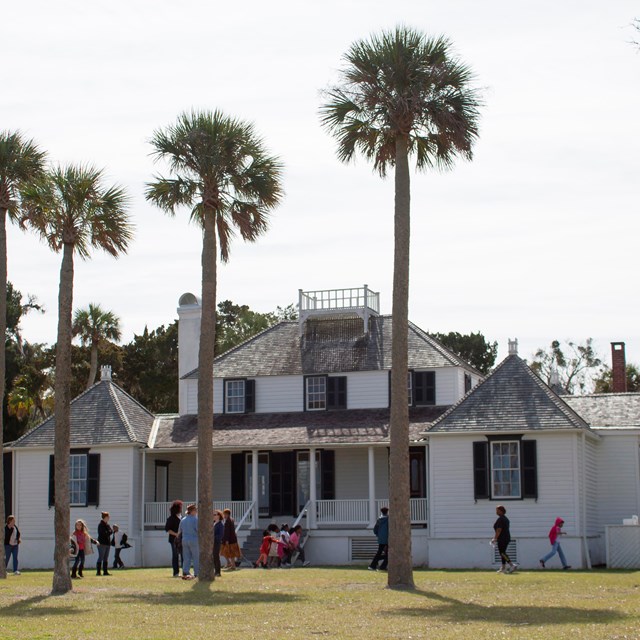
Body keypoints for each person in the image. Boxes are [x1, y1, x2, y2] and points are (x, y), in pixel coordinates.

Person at [492, 505, 517, 574]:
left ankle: (512, 565)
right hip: (506, 537)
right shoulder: (506, 519)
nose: (496, 512)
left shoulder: (501, 519)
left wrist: (495, 538)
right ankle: (503, 568)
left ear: (501, 511)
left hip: (502, 538)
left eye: (497, 510)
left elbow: (499, 530)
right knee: (502, 553)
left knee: (502, 553)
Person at [179, 503, 199, 579]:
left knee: (186, 557)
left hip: (184, 539)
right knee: (196, 557)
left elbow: (180, 530)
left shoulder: (183, 520)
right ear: (192, 511)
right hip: (194, 539)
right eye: (196, 510)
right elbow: (198, 530)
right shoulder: (195, 519)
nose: (196, 512)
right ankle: (196, 572)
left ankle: (185, 571)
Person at [164, 500, 183, 577]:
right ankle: (176, 572)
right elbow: (167, 529)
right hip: (173, 540)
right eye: (180, 507)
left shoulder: (183, 518)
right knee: (175, 555)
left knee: (183, 555)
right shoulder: (171, 518)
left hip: (182, 539)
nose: (181, 508)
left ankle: (185, 571)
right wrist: (176, 534)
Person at [369, 506, 389, 571]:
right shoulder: (388, 519)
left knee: (381, 552)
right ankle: (381, 567)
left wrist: (379, 535)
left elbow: (375, 530)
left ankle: (373, 565)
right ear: (387, 512)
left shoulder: (379, 520)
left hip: (380, 539)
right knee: (389, 554)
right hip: (387, 539)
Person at [97, 511, 113, 576]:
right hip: (102, 543)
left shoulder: (107, 525)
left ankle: (105, 571)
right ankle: (98, 572)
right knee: (101, 557)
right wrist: (109, 532)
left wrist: (109, 532)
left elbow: (111, 531)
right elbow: (104, 533)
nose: (109, 518)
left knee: (106, 558)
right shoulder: (101, 525)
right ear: (105, 517)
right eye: (108, 517)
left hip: (107, 543)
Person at [213, 510, 224, 577]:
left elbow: (220, 535)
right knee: (213, 557)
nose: (213, 516)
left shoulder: (220, 525)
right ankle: (215, 571)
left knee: (216, 557)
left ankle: (218, 572)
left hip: (217, 543)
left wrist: (212, 537)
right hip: (212, 543)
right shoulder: (213, 523)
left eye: (215, 514)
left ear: (219, 516)